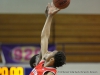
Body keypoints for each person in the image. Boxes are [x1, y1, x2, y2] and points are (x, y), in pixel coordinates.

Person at [29, 2, 66, 75]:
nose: (49, 52)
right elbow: (44, 37)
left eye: (51, 53)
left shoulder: (50, 73)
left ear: (51, 60)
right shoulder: (42, 62)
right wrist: (50, 16)